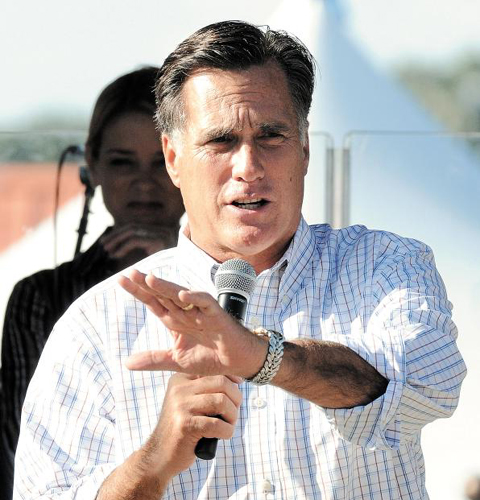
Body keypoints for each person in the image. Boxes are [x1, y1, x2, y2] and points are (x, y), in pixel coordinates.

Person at [14, 21, 466, 499]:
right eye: (221, 141)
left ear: (305, 148)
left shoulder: (385, 266)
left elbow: (429, 386)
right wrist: (153, 461)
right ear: (173, 158)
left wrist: (260, 357)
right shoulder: (98, 322)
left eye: (271, 136)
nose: (248, 167)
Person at [1, 67, 184, 499]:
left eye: (161, 161)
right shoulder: (40, 297)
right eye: (122, 162)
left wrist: (177, 267)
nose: (144, 182)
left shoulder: (240, 280)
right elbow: (23, 447)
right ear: (93, 165)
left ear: (185, 164)